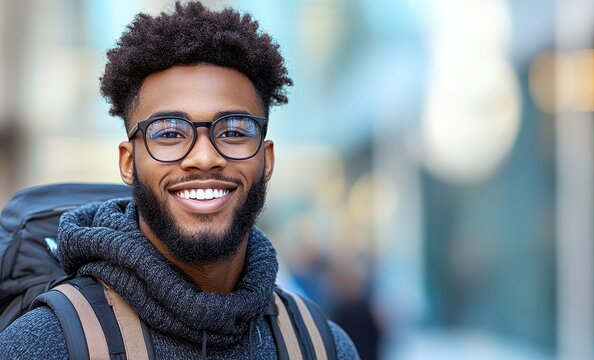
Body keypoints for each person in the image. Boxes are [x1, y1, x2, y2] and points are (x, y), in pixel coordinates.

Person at [0, 2, 358, 359]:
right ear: (128, 162)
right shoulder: (45, 344)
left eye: (233, 130)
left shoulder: (322, 345)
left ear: (266, 159)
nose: (204, 157)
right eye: (169, 133)